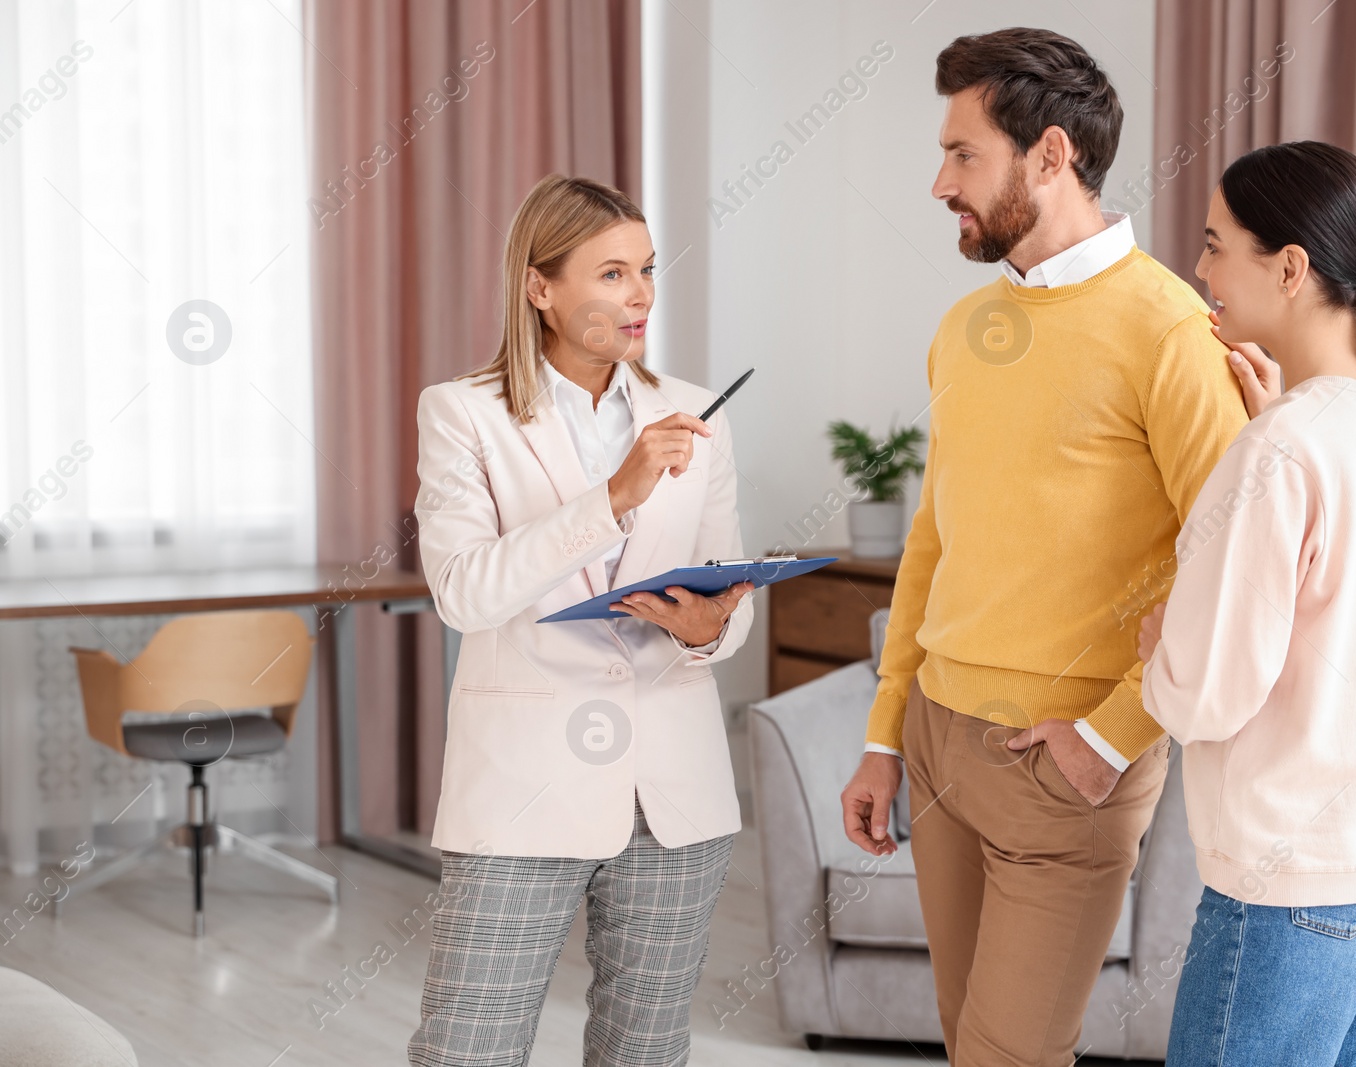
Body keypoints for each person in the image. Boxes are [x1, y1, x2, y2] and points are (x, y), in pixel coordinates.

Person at [837, 27, 1249, 1064]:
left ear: (1051, 155)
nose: (939, 182)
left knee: (1008, 1052)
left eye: (963, 154)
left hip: (1062, 763)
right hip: (936, 741)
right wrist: (888, 731)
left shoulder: (1170, 332)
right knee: (961, 1037)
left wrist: (1109, 736)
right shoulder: (964, 327)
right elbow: (935, 534)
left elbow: (1235, 562)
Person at [407, 173, 756, 1067]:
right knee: (468, 1049)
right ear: (540, 286)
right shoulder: (463, 414)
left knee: (645, 1051)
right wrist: (614, 496)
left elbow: (728, 601)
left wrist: (702, 628)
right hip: (521, 792)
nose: (638, 293)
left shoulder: (694, 411)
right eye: (610, 273)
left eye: (644, 271)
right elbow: (464, 592)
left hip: (672, 794)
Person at [1137, 141, 1356, 1066]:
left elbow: (1208, 695)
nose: (1198, 269)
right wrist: (1274, 422)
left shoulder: (1283, 450)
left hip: (1294, 888)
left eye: (1213, 243)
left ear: (1288, 267)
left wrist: (1161, 644)